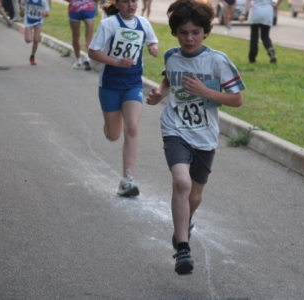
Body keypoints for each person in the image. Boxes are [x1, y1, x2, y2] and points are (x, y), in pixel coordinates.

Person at [146, 0, 246, 275]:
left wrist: (206, 92)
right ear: (175, 32)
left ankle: (184, 223)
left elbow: (236, 100)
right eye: (183, 32)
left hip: (205, 135)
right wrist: (160, 93)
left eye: (195, 32)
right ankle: (183, 249)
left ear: (205, 32)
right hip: (175, 128)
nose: (189, 38)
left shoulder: (217, 61)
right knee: (181, 182)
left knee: (196, 194)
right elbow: (169, 79)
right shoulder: (171, 55)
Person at [88, 0, 159, 197]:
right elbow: (92, 51)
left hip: (133, 84)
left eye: (133, 1)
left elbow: (153, 40)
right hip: (110, 85)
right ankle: (109, 127)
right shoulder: (108, 24)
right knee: (113, 135)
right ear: (117, 4)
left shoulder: (143, 23)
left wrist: (154, 47)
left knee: (133, 126)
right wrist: (116, 62)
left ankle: (127, 180)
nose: (131, 5)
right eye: (126, 1)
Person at [66, 0, 98, 70]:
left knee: (75, 35)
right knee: (89, 34)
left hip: (75, 8)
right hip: (88, 8)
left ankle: (78, 60)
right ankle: (87, 57)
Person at [20, 0, 50, 65]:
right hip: (29, 21)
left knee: (36, 40)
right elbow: (21, 3)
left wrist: (45, 14)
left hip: (38, 21)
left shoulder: (43, 1)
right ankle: (27, 34)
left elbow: (47, 12)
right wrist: (23, 8)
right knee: (28, 40)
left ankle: (32, 56)